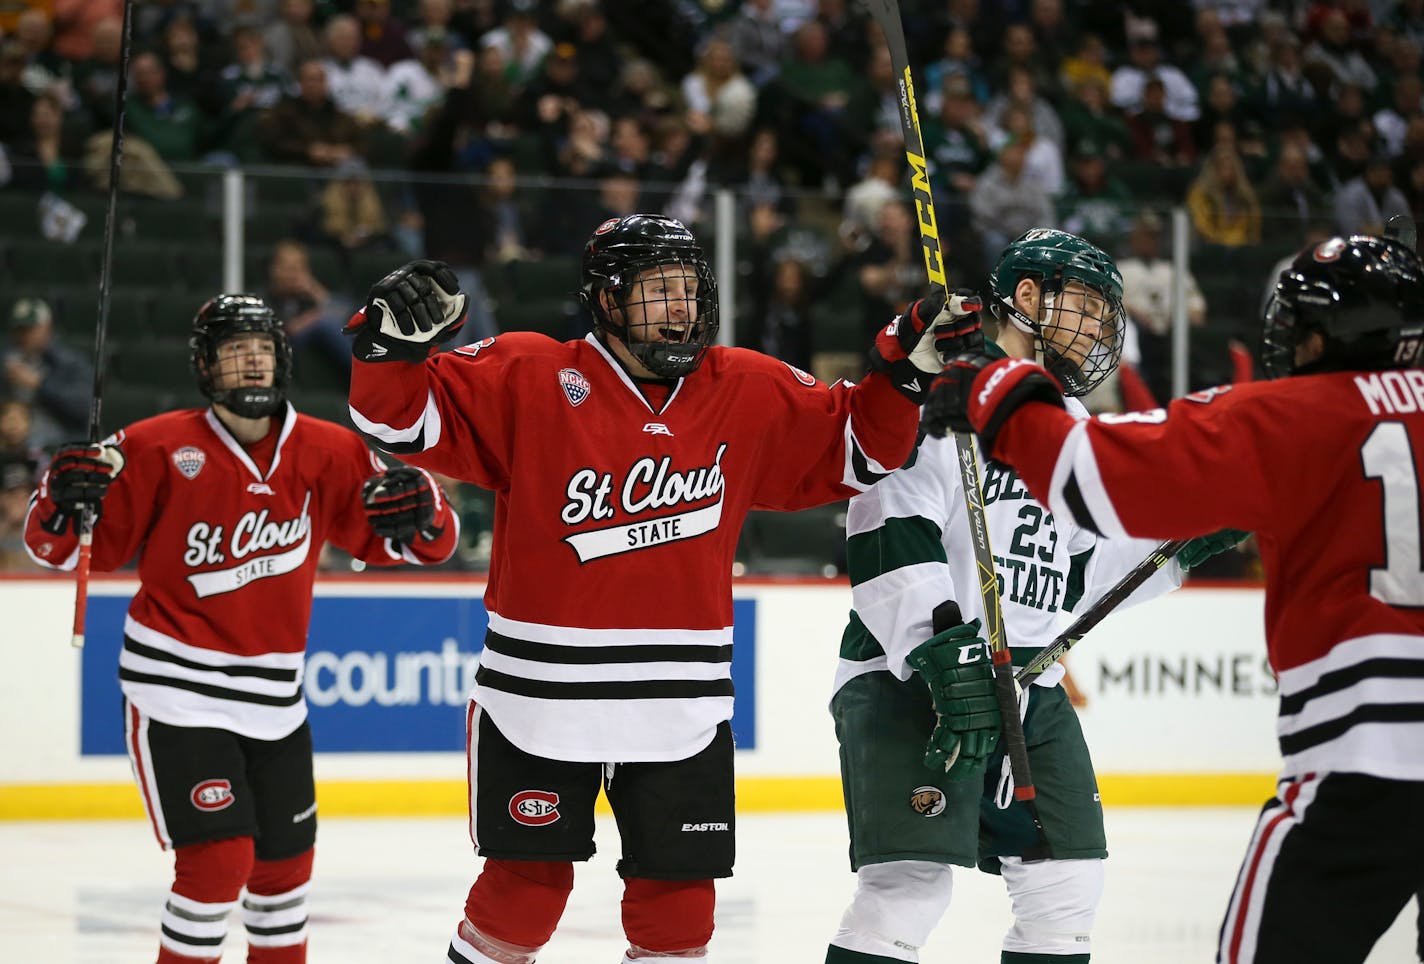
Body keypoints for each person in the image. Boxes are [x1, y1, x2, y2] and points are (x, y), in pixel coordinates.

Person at [342, 214, 963, 963]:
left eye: (689, 290)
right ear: (606, 300)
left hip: (681, 706)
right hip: (538, 700)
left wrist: (903, 373)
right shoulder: (531, 373)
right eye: (657, 290)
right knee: (521, 899)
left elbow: (861, 448)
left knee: (678, 914)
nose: (681, 307)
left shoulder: (745, 386)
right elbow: (399, 420)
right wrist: (388, 348)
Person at [921, 233, 1424, 964]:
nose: (1293, 349)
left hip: (1364, 765)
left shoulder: (1296, 413)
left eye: (1303, 331)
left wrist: (990, 389)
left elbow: (1094, 474)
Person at [824, 228, 1239, 964]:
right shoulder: (936, 393)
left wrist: (1177, 541)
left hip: (1029, 683)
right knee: (908, 891)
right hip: (914, 673)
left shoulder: (1066, 422)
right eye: (1086, 305)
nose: (1101, 329)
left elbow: (1080, 574)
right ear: (1025, 298)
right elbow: (886, 525)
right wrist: (940, 650)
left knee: (1068, 889)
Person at [21, 294, 459, 964]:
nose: (251, 362)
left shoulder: (328, 448)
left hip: (277, 703)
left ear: (282, 360)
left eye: (262, 349)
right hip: (176, 695)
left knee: (284, 884)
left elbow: (418, 543)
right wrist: (58, 501)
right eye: (234, 350)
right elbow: (58, 549)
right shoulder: (155, 444)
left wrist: (425, 510)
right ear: (206, 365)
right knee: (216, 870)